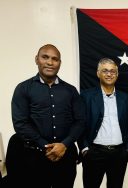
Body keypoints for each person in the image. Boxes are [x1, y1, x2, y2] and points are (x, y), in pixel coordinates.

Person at [11, 44, 86, 188]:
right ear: (36, 59)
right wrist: (45, 146)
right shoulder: (23, 88)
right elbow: (20, 123)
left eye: (55, 59)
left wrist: (64, 145)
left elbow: (80, 121)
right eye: (45, 57)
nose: (50, 62)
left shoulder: (70, 91)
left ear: (60, 63)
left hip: (65, 156)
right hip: (34, 157)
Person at [78, 58, 128, 188]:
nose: (109, 74)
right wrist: (85, 149)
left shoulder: (124, 98)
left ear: (117, 74)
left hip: (119, 154)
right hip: (94, 153)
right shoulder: (86, 96)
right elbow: (80, 125)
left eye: (112, 71)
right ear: (98, 73)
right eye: (105, 71)